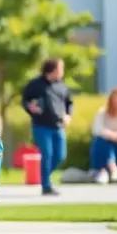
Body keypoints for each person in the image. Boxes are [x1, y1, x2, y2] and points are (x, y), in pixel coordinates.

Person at [21, 58, 73, 196]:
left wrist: (68, 116)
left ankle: (45, 176)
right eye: (59, 69)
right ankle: (46, 185)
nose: (61, 72)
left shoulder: (62, 86)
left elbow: (69, 103)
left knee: (60, 155)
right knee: (47, 154)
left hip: (58, 126)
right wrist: (30, 107)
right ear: (51, 70)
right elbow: (25, 100)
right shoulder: (35, 84)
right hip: (41, 126)